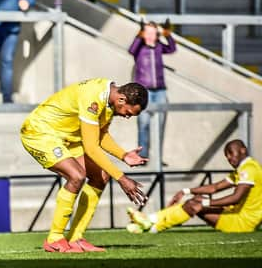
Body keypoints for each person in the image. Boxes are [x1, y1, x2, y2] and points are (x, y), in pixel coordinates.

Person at [20, 79, 149, 253]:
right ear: (121, 100)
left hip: (67, 137)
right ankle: (54, 238)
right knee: (77, 176)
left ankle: (75, 238)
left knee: (101, 176)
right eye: (128, 112)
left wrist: (123, 155)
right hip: (39, 133)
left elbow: (100, 134)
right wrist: (122, 178)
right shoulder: (94, 97)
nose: (127, 116)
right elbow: (91, 147)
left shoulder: (109, 100)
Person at [127, 139, 262, 234]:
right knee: (196, 200)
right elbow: (214, 188)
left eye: (231, 153)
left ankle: (152, 227)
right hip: (236, 215)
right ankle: (151, 221)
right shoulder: (245, 168)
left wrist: (204, 203)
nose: (229, 158)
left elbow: (236, 198)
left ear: (243, 150)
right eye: (227, 155)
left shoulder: (248, 169)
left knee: (194, 204)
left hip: (242, 222)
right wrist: (186, 191)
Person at [128, 19, 176, 159]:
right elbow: (131, 49)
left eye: (153, 33)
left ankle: (158, 158)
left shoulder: (159, 47)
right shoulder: (139, 48)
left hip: (160, 90)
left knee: (160, 125)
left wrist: (167, 34)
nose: (149, 35)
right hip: (144, 91)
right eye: (147, 32)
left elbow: (172, 48)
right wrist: (139, 35)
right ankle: (142, 155)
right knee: (143, 123)